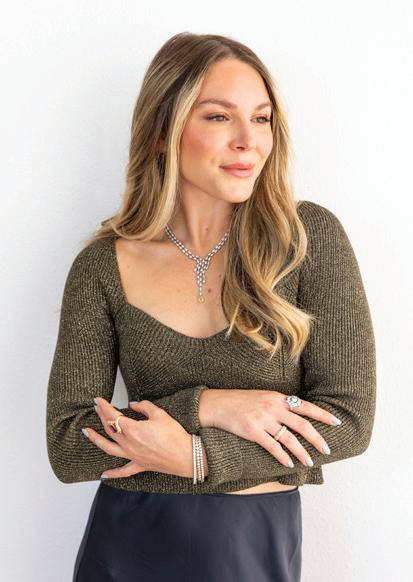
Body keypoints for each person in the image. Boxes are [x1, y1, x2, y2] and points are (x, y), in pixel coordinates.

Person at [46, 32, 376, 582]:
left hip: (250, 543)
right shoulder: (103, 266)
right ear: (162, 131)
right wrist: (206, 407)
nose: (249, 141)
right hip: (127, 542)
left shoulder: (307, 240)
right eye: (220, 117)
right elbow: (68, 443)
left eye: (262, 119)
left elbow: (348, 420)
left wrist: (198, 458)